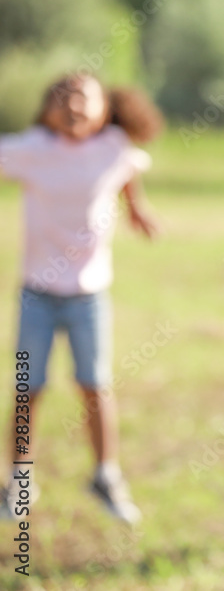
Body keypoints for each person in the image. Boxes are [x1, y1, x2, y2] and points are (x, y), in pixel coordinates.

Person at [0, 74, 162, 524]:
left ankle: (105, 476)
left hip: (88, 294)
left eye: (83, 98)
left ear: (104, 110)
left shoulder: (113, 146)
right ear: (48, 111)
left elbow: (127, 170)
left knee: (95, 385)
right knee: (28, 389)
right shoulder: (33, 150)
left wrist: (137, 209)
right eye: (62, 98)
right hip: (37, 293)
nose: (72, 106)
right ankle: (19, 481)